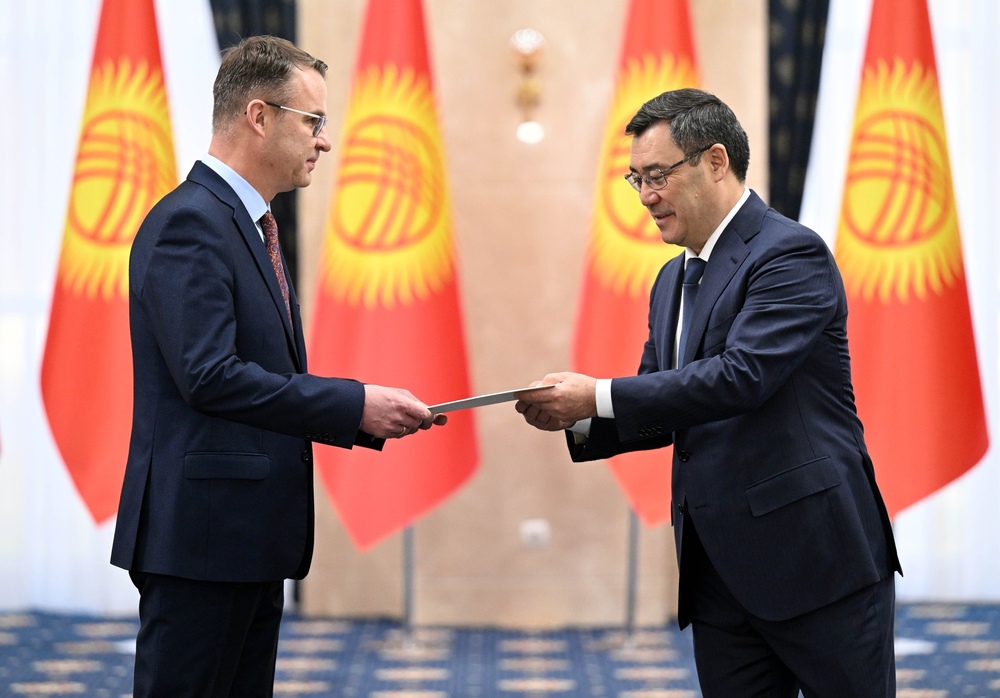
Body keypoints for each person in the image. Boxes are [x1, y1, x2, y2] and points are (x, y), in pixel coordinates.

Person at [515, 88, 901, 696]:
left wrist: (597, 395)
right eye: (636, 179)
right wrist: (578, 416)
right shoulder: (671, 278)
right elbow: (663, 398)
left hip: (815, 558)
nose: (646, 196)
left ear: (715, 161)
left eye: (658, 175)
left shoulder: (789, 253)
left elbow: (742, 376)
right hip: (718, 569)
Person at [110, 35, 445, 697]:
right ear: (258, 116)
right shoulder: (191, 223)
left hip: (244, 536)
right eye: (313, 121)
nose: (326, 141)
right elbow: (209, 376)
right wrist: (354, 406)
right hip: (203, 540)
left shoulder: (247, 222)